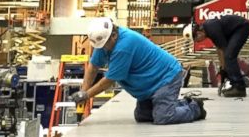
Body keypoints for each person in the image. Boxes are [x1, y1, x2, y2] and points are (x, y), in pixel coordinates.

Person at [74, 17, 205, 124]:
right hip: (149, 85)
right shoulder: (104, 42)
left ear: (114, 35)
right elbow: (93, 67)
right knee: (143, 116)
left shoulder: (123, 46)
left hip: (165, 78)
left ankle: (195, 108)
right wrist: (83, 92)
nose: (103, 49)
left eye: (104, 45)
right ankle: (179, 103)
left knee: (163, 117)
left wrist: (87, 95)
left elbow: (110, 79)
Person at [187, 14, 249, 98]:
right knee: (228, 55)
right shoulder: (208, 29)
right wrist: (222, 68)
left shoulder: (211, 29)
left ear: (198, 33)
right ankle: (234, 85)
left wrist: (225, 69)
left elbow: (224, 51)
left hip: (241, 27)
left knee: (229, 55)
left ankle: (239, 87)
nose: (198, 42)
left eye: (197, 40)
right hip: (235, 30)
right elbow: (219, 49)